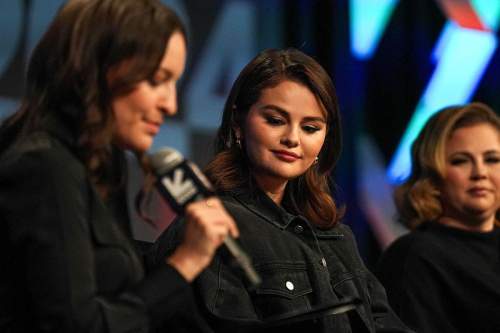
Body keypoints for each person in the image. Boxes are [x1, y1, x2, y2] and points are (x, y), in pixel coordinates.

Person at [0, 0, 238, 331]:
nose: (170, 104)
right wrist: (185, 261)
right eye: (157, 80)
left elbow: (126, 298)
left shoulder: (104, 163)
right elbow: (76, 325)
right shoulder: (45, 165)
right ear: (96, 68)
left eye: (175, 82)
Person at [145, 48, 413, 333]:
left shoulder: (337, 237)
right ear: (238, 124)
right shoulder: (209, 226)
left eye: (310, 128)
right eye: (275, 120)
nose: (292, 138)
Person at [374, 102, 500, 333]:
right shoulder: (413, 257)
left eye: (492, 159)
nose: (480, 173)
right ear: (432, 173)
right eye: (460, 161)